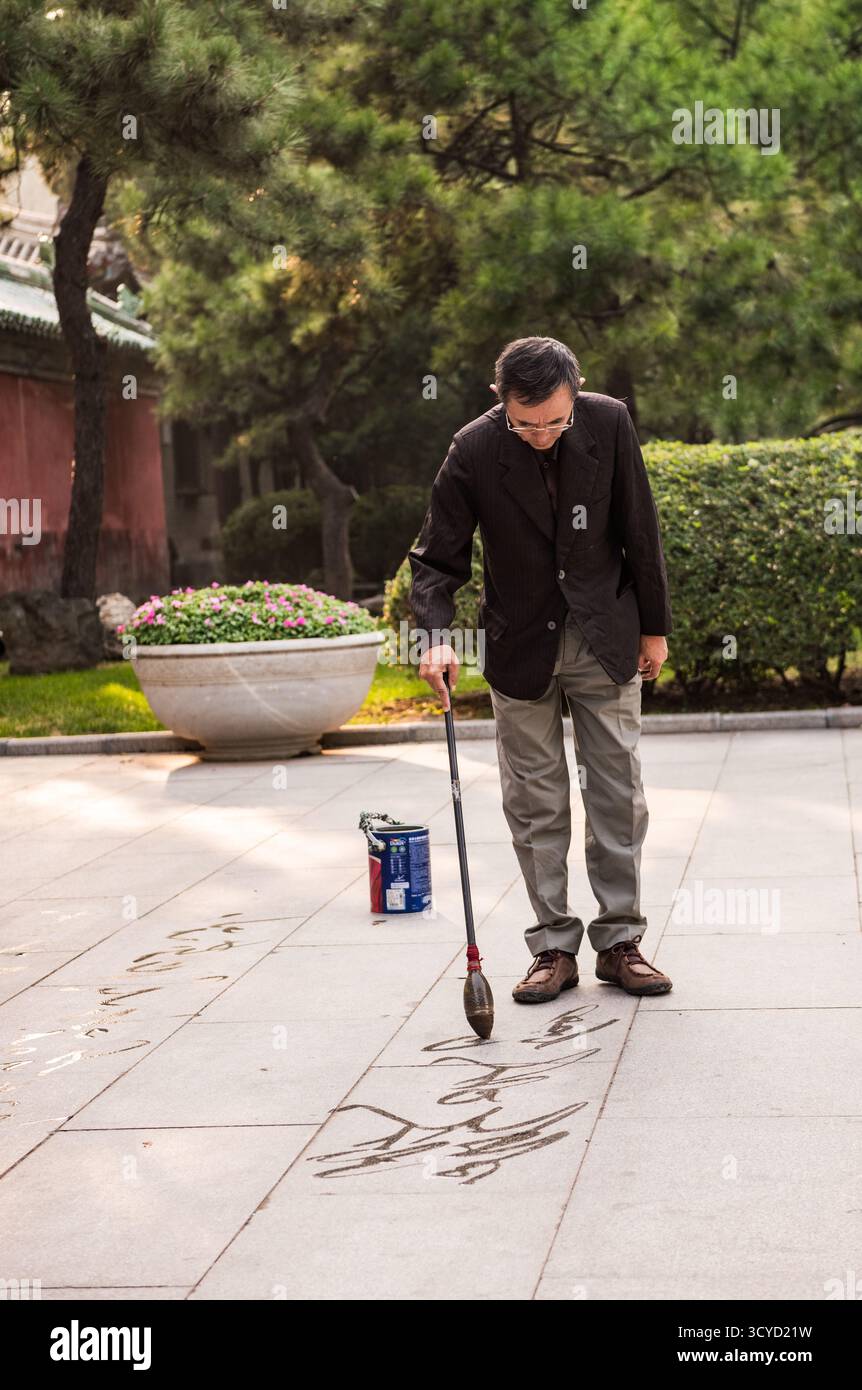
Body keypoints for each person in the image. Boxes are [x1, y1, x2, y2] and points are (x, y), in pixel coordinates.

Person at [408, 336, 673, 1001]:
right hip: (519, 642)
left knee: (617, 792)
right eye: (526, 424)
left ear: (574, 392)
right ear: (501, 403)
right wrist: (436, 638)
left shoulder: (607, 422)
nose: (542, 435)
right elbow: (436, 559)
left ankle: (620, 942)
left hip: (602, 637)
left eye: (555, 421)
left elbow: (640, 527)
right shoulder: (473, 449)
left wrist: (655, 628)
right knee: (534, 801)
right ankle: (553, 945)